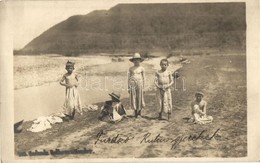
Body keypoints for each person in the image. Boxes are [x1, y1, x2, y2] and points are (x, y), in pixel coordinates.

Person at [128, 53, 145, 118]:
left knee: (139, 97)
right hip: (132, 84)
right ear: (133, 61)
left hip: (140, 84)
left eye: (138, 59)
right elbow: (129, 78)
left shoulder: (142, 68)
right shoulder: (131, 68)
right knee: (133, 97)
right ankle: (135, 112)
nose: (136, 61)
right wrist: (128, 87)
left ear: (140, 60)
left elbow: (144, 78)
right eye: (135, 60)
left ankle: (139, 112)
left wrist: (144, 87)